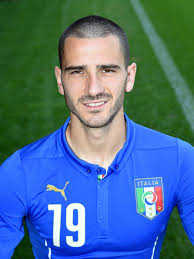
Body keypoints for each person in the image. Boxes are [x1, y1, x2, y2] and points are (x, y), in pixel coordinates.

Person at [0, 15, 193, 259]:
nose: (93, 89)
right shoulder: (20, 171)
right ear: (60, 80)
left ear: (129, 76)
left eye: (107, 70)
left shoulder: (178, 159)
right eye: (78, 71)